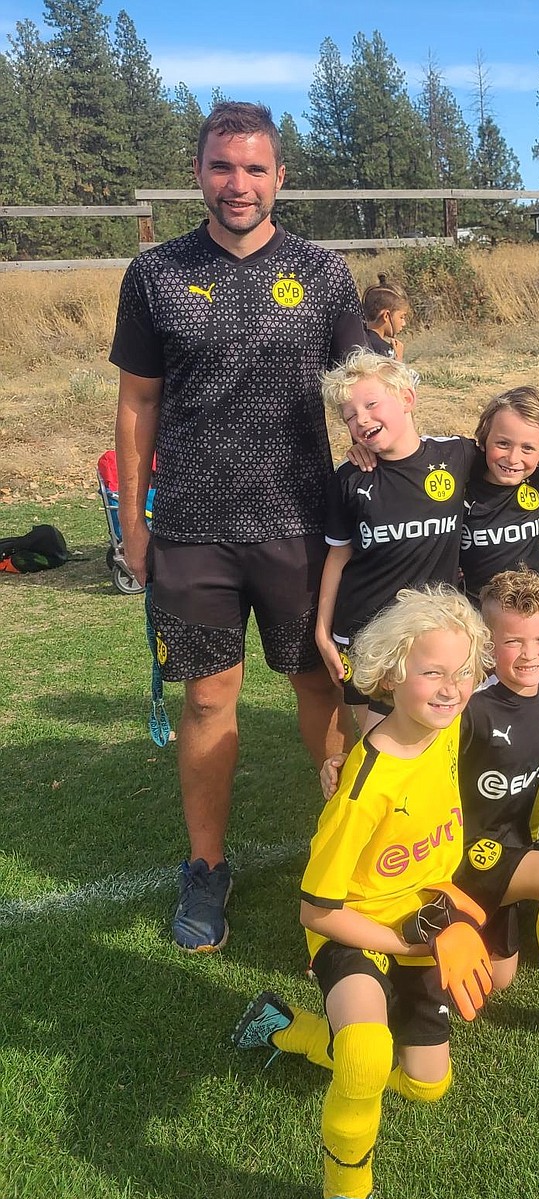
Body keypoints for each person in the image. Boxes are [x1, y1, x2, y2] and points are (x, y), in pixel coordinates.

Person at [110, 101, 366, 953]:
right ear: (199, 172)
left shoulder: (326, 274)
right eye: (223, 166)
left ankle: (352, 846)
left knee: (318, 686)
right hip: (190, 528)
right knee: (209, 696)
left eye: (255, 169)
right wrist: (138, 528)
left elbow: (367, 391)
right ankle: (207, 868)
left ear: (281, 177)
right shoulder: (155, 275)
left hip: (300, 523)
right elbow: (137, 403)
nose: (239, 184)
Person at [230, 587, 495, 1199]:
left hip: (425, 914)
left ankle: (286, 1026)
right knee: (367, 1055)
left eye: (463, 672)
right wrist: (411, 944)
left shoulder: (448, 726)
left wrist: (443, 917)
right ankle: (346, 1195)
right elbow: (317, 912)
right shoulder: (364, 789)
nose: (452, 688)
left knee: (427, 1087)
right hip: (354, 927)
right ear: (390, 674)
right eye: (433, 672)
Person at [319, 569, 539, 1039]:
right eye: (513, 641)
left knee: (499, 979)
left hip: (508, 850)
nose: (530, 654)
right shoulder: (467, 705)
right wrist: (346, 760)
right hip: (459, 857)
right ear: (486, 645)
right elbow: (405, 738)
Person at [315, 349, 478, 731]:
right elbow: (338, 557)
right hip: (365, 633)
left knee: (440, 743)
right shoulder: (349, 479)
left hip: (433, 636)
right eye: (349, 417)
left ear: (407, 398)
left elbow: (518, 453)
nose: (362, 419)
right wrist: (323, 633)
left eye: (371, 404)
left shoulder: (456, 455)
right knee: (383, 744)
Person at [459, 387, 539, 604]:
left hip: (529, 618)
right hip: (475, 621)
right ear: (484, 440)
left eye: (528, 448)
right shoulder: (460, 490)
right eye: (503, 444)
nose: (513, 458)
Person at [361, 276, 411, 361]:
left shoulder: (356, 339)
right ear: (386, 316)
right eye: (401, 317)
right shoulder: (384, 351)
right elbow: (393, 374)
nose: (404, 323)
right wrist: (398, 360)